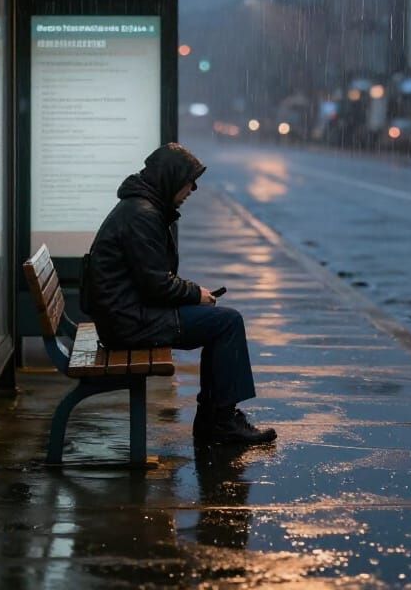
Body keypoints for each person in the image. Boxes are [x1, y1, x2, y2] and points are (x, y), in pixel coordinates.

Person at [85, 142, 276, 446]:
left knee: (220, 322)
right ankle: (220, 421)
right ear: (171, 177)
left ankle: (216, 418)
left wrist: (192, 293)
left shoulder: (141, 207)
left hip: (125, 314)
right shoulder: (142, 214)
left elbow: (152, 280)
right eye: (190, 180)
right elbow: (156, 285)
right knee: (227, 323)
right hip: (129, 323)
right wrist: (195, 294)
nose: (193, 188)